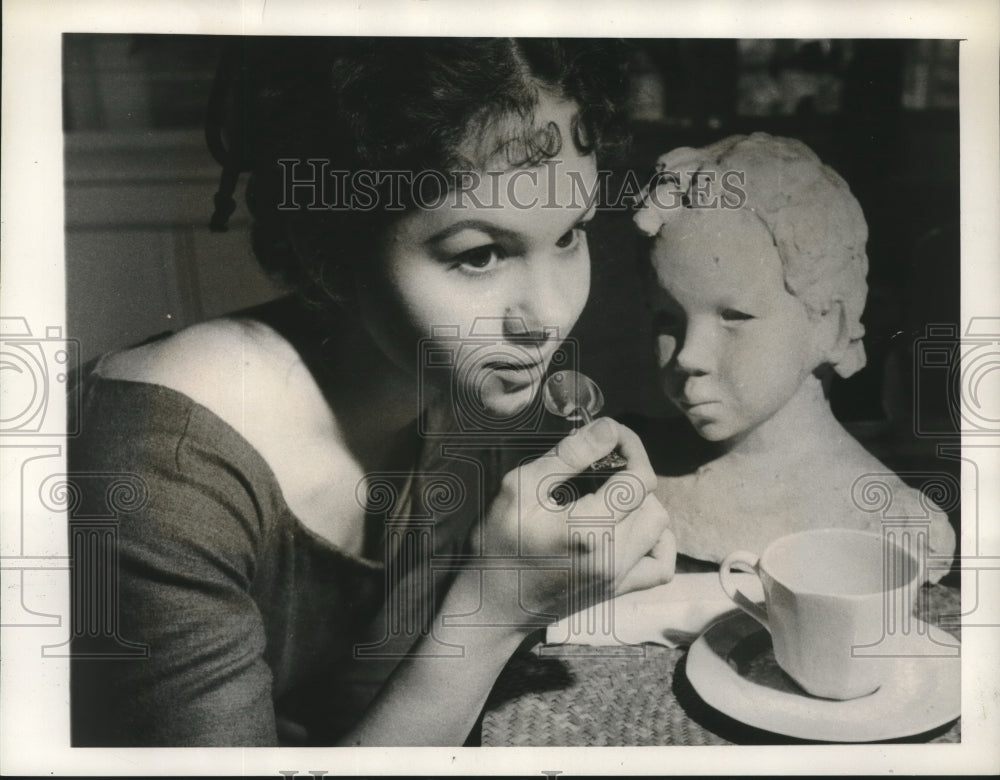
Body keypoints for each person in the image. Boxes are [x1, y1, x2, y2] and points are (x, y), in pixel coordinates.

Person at [68, 37, 676, 747]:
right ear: (333, 240)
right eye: (480, 255)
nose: (547, 315)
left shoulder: (448, 380)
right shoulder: (160, 479)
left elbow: (365, 701)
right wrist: (493, 610)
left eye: (571, 234)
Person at [630, 132, 955, 583]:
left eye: (734, 316)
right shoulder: (639, 483)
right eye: (667, 319)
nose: (688, 354)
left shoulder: (893, 526)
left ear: (830, 325)